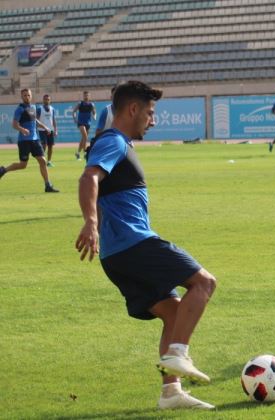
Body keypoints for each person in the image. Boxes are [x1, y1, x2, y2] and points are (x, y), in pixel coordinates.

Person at [76, 81, 216, 410]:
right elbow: (88, 177)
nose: (152, 120)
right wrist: (91, 222)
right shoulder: (112, 141)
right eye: (150, 113)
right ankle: (178, 355)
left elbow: (99, 184)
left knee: (174, 311)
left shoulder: (117, 143)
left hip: (117, 254)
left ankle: (171, 393)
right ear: (133, 109)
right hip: (133, 244)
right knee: (205, 283)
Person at [0, 89, 59, 192]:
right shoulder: (20, 109)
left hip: (35, 139)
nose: (27, 97)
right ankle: (3, 170)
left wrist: (45, 127)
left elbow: (34, 120)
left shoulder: (33, 107)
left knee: (43, 161)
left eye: (28, 95)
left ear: (31, 96)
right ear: (22, 97)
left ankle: (47, 185)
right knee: (23, 165)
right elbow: (14, 124)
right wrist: (22, 129)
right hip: (24, 141)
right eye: (24, 95)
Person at [73, 91, 96, 160]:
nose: (86, 97)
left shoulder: (92, 104)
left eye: (87, 95)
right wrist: (74, 118)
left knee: (83, 138)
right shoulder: (80, 103)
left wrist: (94, 116)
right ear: (83, 96)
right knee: (85, 136)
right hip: (81, 122)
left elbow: (94, 112)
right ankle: (85, 152)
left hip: (88, 123)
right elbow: (74, 111)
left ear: (89, 96)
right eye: (85, 95)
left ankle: (78, 153)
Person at [37, 94, 58, 167]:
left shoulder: (52, 109)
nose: (47, 101)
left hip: (51, 130)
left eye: (48, 99)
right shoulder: (39, 109)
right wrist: (41, 126)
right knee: (44, 145)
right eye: (45, 99)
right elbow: (36, 119)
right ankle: (42, 160)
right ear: (43, 100)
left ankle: (49, 161)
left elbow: (54, 120)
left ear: (50, 100)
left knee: (50, 146)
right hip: (42, 130)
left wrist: (55, 130)